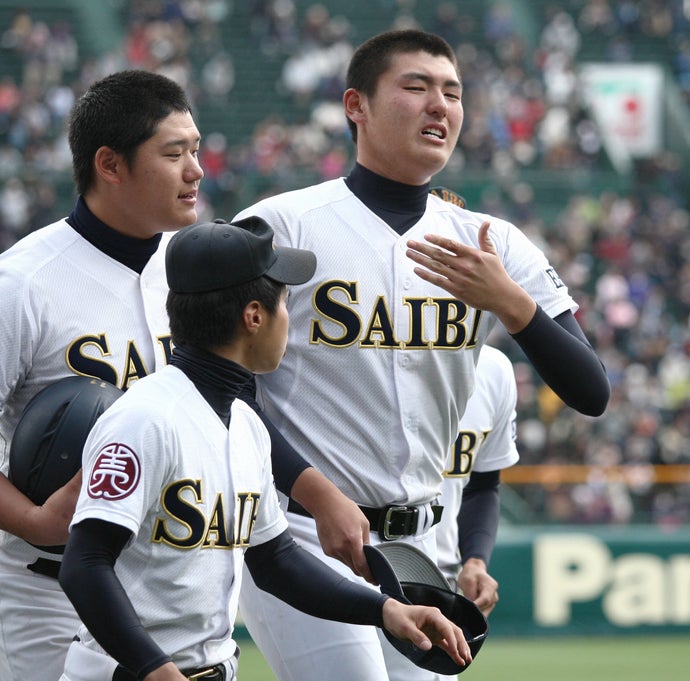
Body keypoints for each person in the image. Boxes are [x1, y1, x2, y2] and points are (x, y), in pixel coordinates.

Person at [232, 28, 610, 681]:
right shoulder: (279, 226)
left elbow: (591, 390)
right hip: (300, 528)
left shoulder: (494, 243)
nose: (440, 105)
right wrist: (314, 490)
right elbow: (216, 383)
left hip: (425, 544)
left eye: (453, 92)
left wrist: (510, 302)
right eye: (416, 87)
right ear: (357, 106)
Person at [0, 69, 368, 681]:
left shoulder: (192, 269)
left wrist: (315, 490)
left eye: (195, 149)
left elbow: (230, 408)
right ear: (110, 165)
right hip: (48, 591)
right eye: (174, 154)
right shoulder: (21, 284)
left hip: (171, 590)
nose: (196, 169)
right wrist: (35, 521)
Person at [58, 217, 472, 681]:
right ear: (253, 316)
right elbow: (84, 564)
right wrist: (155, 669)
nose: (287, 319)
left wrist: (386, 610)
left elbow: (277, 562)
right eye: (284, 303)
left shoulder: (246, 425)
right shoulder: (145, 418)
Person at [435, 344, 519, 616]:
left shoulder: (493, 368)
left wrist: (475, 560)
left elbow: (480, 486)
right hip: (344, 564)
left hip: (436, 577)